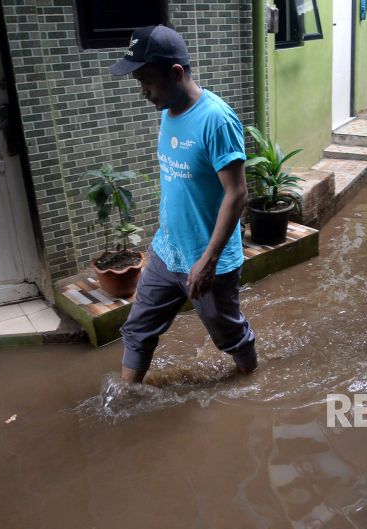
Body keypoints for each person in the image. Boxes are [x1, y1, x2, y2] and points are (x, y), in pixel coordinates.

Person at [107, 25, 257, 383]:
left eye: (147, 81)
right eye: (138, 82)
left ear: (176, 73)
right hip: (166, 250)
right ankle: (125, 403)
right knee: (138, 330)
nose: (143, 92)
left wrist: (207, 260)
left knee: (229, 336)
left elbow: (237, 194)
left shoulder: (216, 120)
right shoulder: (167, 108)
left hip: (208, 262)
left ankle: (253, 380)